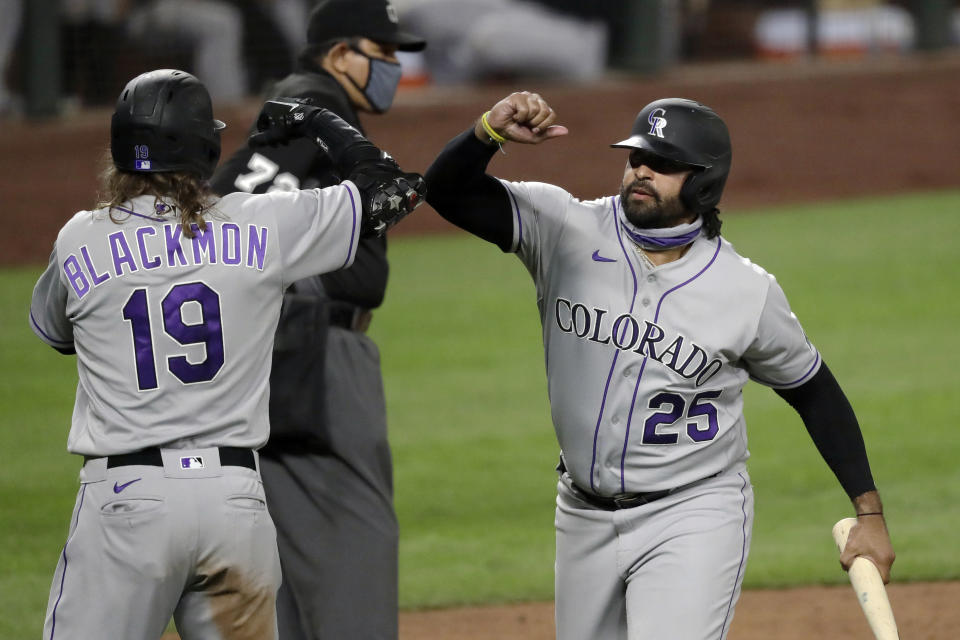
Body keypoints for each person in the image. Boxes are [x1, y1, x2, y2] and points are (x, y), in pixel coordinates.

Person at [424, 91, 895, 639]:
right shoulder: (564, 229)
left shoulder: (745, 290)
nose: (642, 170)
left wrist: (869, 513)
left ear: (704, 182)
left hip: (692, 512)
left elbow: (813, 389)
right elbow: (446, 191)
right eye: (636, 158)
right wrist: (489, 132)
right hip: (581, 514)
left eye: (664, 164)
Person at [29, 68, 424, 640]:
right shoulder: (261, 225)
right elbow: (394, 190)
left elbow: (57, 334)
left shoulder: (79, 238)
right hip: (233, 504)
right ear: (205, 146)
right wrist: (316, 121)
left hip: (126, 504)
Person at [209, 1, 425, 638]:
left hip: (272, 351)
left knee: (288, 564)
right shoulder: (310, 106)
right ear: (338, 54)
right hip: (309, 353)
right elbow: (231, 205)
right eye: (382, 55)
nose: (392, 67)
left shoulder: (313, 112)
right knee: (352, 541)